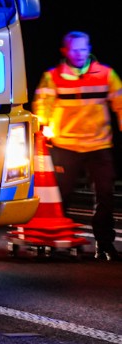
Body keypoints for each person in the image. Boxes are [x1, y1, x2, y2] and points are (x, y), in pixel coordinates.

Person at [33, 32, 122, 261]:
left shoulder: (106, 75)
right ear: (65, 51)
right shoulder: (53, 77)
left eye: (83, 49)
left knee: (105, 195)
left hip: (98, 145)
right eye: (74, 49)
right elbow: (42, 106)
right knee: (62, 196)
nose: (79, 54)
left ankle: (104, 245)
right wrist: (44, 130)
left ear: (89, 49)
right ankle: (60, 243)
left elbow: (120, 103)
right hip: (66, 145)